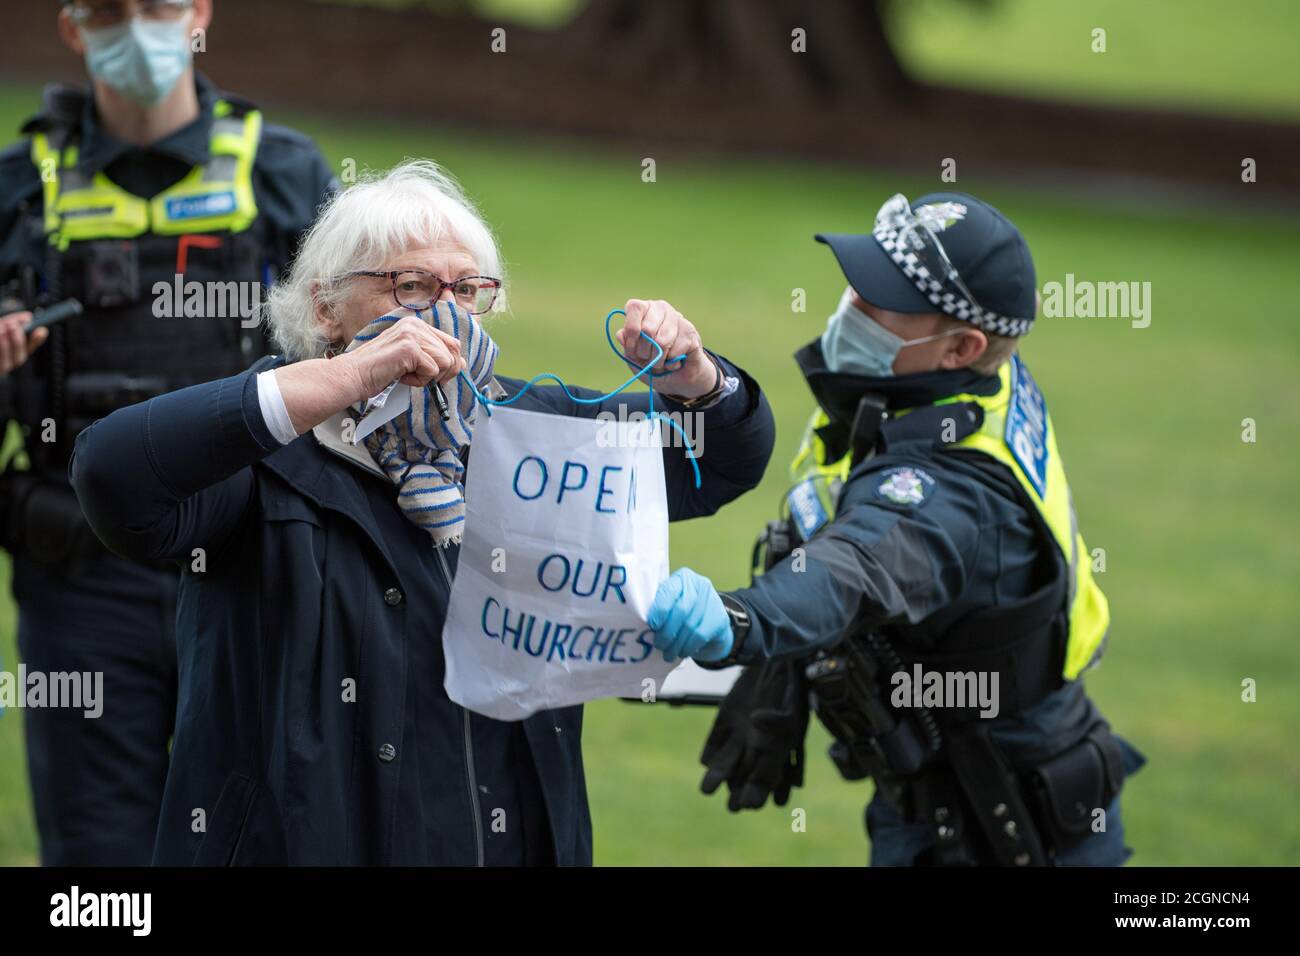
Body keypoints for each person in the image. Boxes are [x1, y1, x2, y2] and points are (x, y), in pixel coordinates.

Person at [68, 160, 776, 865]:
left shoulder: (529, 429)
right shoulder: (259, 447)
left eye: (467, 290)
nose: (443, 314)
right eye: (410, 287)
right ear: (325, 308)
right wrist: (351, 377)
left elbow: (715, 462)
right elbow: (112, 475)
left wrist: (696, 377)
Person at [646, 191, 1145, 866]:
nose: (851, 304)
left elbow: (857, 567)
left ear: (961, 346)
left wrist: (737, 619)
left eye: (882, 301)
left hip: (1000, 828)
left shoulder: (953, 490)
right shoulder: (966, 388)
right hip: (957, 791)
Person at [0, 0, 336, 864]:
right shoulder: (15, 188)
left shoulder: (284, 175)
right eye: (111, 11)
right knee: (97, 867)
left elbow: (355, 372)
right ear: (73, 26)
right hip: (78, 581)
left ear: (198, 14)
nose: (137, 29)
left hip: (250, 571)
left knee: (261, 839)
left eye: (156, 7)